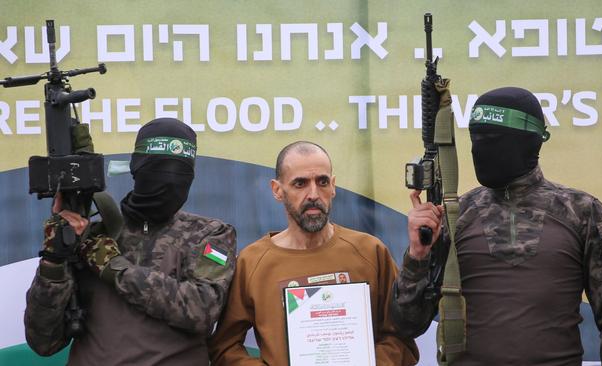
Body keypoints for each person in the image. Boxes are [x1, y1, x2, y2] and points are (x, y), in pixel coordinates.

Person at [390, 87, 602, 365]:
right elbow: (408, 324)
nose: (481, 149)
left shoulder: (582, 211)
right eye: (476, 139)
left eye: (494, 140)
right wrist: (417, 256)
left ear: (532, 141)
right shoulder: (454, 216)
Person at [24, 117, 237, 365]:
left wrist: (115, 268)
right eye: (157, 168)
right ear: (136, 168)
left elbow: (201, 310)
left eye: (179, 172)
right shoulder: (91, 236)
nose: (168, 181)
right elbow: (44, 341)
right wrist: (54, 258)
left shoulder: (210, 234)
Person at [208, 141, 418, 365]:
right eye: (300, 183)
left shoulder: (369, 251)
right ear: (277, 190)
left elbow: (401, 337)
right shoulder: (252, 262)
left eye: (322, 182)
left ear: (334, 186)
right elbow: (225, 347)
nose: (313, 194)